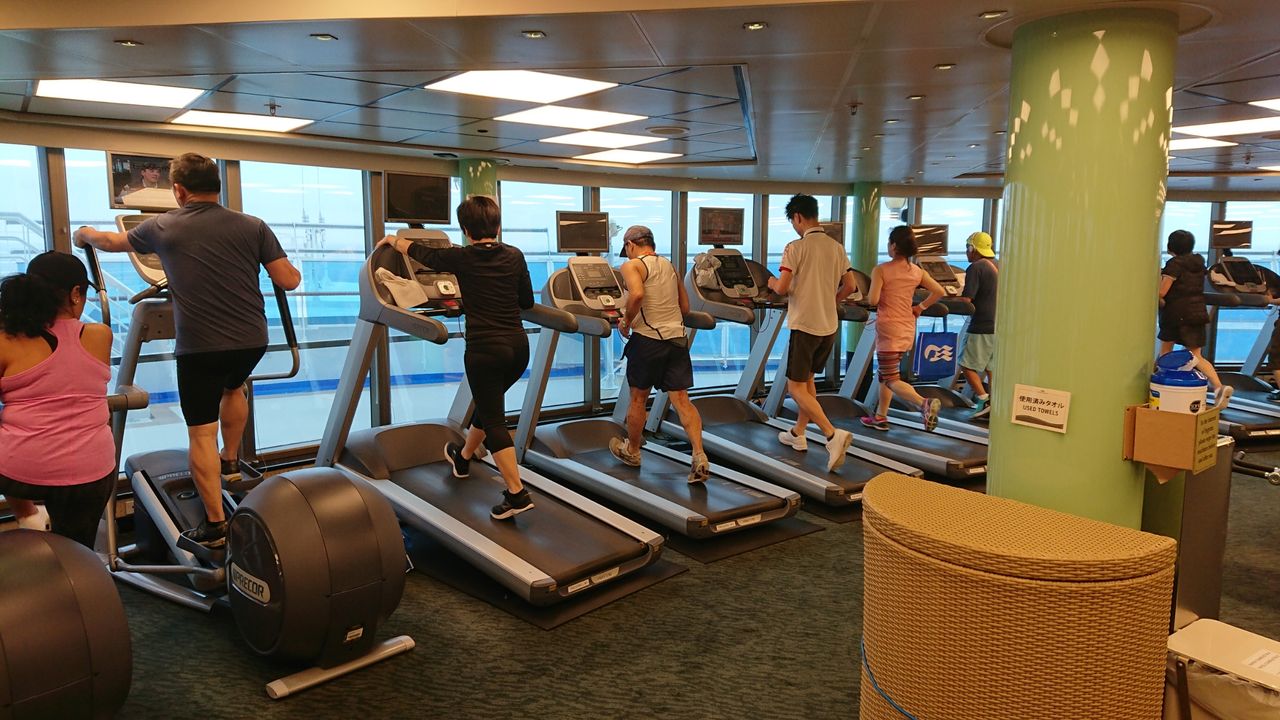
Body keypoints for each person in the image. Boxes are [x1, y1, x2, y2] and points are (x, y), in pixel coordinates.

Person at [74, 153, 302, 548]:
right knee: (234, 387)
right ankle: (230, 460)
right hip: (252, 339)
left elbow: (111, 242)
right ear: (218, 186)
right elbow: (289, 280)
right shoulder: (253, 225)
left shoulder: (162, 226)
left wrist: (86, 234)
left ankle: (215, 527)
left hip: (201, 347)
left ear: (178, 191)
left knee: (200, 432)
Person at [378, 196, 536, 520]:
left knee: (494, 420)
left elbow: (423, 253)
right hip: (518, 349)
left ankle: (516, 494)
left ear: (465, 230)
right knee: (486, 406)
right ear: (497, 226)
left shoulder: (461, 257)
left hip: (485, 351)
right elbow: (526, 301)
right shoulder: (515, 255)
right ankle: (462, 458)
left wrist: (394, 240)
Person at [0, 252, 115, 548]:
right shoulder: (100, 335)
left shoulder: (6, 340)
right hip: (89, 474)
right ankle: (75, 562)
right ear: (76, 293)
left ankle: (27, 516)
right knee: (76, 551)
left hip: (18, 474)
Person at [609, 225, 710, 483]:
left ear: (631, 245)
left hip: (648, 340)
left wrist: (626, 321)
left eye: (626, 249)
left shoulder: (632, 266)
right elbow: (684, 307)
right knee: (682, 400)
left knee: (638, 399)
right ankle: (699, 455)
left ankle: (632, 451)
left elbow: (637, 294)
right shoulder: (669, 266)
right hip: (677, 339)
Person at [767, 194, 858, 473]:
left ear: (797, 217)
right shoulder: (836, 247)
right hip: (828, 326)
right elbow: (851, 285)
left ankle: (832, 435)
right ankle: (798, 433)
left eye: (793, 222)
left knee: (795, 388)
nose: (794, 226)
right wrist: (831, 301)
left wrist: (769, 282)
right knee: (807, 382)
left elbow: (782, 288)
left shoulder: (795, 247)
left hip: (805, 326)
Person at [863, 225, 947, 432]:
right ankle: (881, 416)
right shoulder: (917, 272)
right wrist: (920, 307)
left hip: (889, 329)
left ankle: (923, 403)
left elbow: (873, 299)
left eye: (889, 242)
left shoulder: (881, 270)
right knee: (885, 374)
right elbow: (939, 291)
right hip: (907, 327)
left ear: (893, 246)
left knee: (891, 378)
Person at [1159, 229, 1231, 408]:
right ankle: (1219, 387)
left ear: (1170, 245)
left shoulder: (1174, 264)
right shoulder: (1198, 262)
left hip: (1176, 314)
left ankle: (1162, 387)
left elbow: (1162, 291)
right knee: (1196, 355)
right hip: (1197, 312)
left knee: (1166, 352)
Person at [958, 231, 999, 418]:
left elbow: (967, 299)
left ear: (973, 249)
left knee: (966, 364)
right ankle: (996, 403)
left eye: (967, 247)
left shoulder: (976, 267)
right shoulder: (998, 264)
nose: (966, 252)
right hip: (998, 326)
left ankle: (983, 400)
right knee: (991, 368)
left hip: (981, 325)